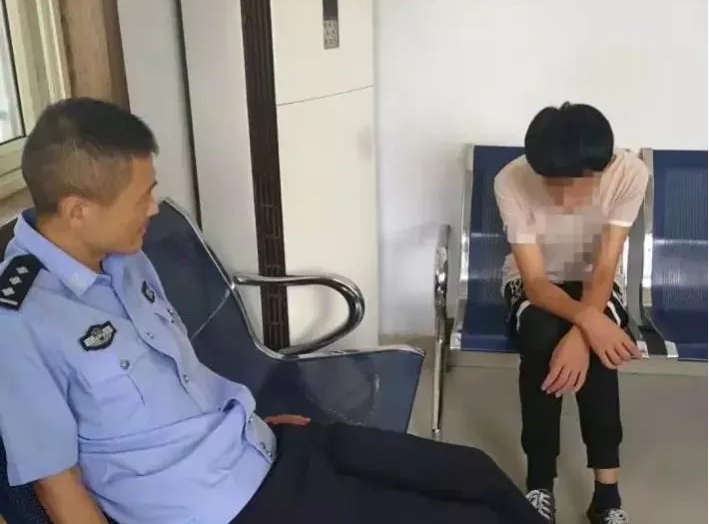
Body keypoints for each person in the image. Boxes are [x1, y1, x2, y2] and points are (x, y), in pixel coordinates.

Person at [0, 97, 542, 524]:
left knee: (475, 474)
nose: (154, 208)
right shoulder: (20, 322)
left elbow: (176, 374)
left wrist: (249, 420)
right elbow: (56, 485)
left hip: (261, 444)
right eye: (140, 198)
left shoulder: (121, 255)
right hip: (228, 508)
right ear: (78, 211)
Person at [494, 103, 649, 524]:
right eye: (551, 184)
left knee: (597, 351)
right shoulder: (510, 178)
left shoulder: (629, 174)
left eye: (573, 186)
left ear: (605, 166)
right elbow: (534, 282)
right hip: (533, 281)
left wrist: (583, 336)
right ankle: (539, 484)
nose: (560, 198)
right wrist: (589, 323)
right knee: (540, 336)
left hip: (596, 281)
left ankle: (607, 498)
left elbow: (604, 267)